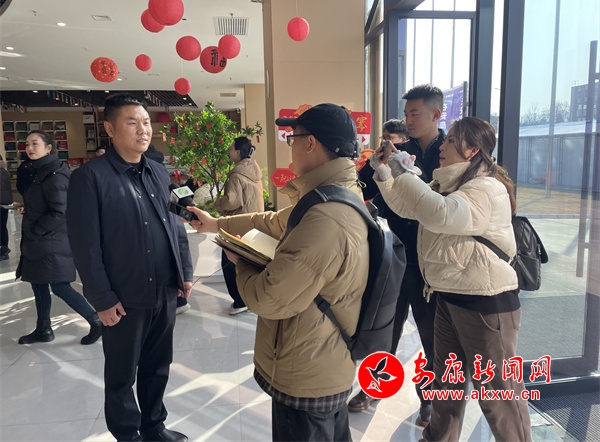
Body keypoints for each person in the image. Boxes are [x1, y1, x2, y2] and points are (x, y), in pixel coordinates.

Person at [187, 104, 369, 442]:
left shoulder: (326, 217)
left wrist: (240, 260)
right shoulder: (334, 195)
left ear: (311, 143)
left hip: (306, 371)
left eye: (292, 138)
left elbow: (268, 298)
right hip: (322, 360)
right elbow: (271, 221)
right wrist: (216, 225)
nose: (291, 146)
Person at [372, 116, 532, 441]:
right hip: (449, 296)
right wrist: (386, 173)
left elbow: (441, 214)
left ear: (472, 150)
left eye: (451, 140)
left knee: (498, 395)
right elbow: (410, 207)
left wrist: (403, 171)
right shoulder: (448, 184)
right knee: (446, 386)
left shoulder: (485, 188)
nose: (443, 145)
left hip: (486, 303)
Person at [66, 93, 193, 442]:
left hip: (164, 289)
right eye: (132, 122)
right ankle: (127, 434)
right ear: (109, 129)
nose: (143, 130)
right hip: (123, 296)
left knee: (158, 366)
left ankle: (154, 426)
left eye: (146, 122)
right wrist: (102, 298)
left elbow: (176, 225)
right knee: (122, 374)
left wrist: (185, 272)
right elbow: (85, 245)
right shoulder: (89, 178)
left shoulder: (158, 171)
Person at [349, 85, 445, 425]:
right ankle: (373, 387)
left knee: (432, 335)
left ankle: (430, 399)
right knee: (384, 327)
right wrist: (373, 163)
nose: (409, 120)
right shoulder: (396, 151)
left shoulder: (449, 152)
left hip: (432, 260)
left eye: (414, 113)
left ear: (436, 114)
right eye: (406, 114)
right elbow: (362, 187)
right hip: (394, 252)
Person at [13, 130, 102, 345]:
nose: (29, 148)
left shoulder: (54, 175)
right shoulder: (40, 171)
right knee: (38, 284)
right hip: (42, 240)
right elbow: (46, 204)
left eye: (35, 143)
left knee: (60, 286)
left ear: (48, 148)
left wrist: (36, 231)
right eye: (27, 144)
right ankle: (43, 329)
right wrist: (28, 209)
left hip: (50, 240)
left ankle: (96, 321)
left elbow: (60, 212)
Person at [214, 136, 264, 315]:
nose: (229, 152)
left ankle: (240, 301)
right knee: (247, 263)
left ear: (237, 152)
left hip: (237, 225)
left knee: (229, 263)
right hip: (254, 224)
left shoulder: (236, 175)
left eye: (231, 148)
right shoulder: (254, 171)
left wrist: (218, 203)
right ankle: (249, 298)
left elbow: (232, 201)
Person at [145, 142, 191, 315]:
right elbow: (174, 206)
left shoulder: (148, 173)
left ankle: (179, 299)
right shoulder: (164, 173)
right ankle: (180, 299)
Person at [1, 154, 13, 260]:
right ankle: (4, 249)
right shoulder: (5, 172)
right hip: (4, 204)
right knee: (2, 227)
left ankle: (3, 249)